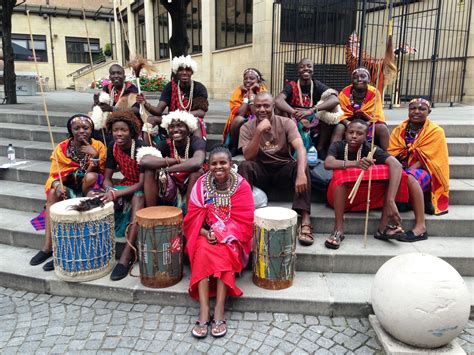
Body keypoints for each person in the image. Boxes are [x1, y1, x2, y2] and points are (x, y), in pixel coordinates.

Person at [183, 145, 254, 338]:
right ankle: (204, 310)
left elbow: (245, 222)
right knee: (204, 251)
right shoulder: (200, 186)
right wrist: (207, 234)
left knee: (224, 252)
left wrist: (223, 234)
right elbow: (191, 219)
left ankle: (220, 309)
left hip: (232, 238)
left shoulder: (241, 186)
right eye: (213, 163)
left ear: (231, 164)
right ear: (208, 166)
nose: (218, 167)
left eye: (223, 163)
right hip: (204, 235)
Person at [324, 119, 427, 249]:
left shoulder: (371, 149)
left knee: (395, 174)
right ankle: (338, 229)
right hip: (338, 198)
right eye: (351, 132)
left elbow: (396, 165)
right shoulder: (338, 146)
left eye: (359, 133)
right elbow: (328, 163)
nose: (354, 136)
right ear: (345, 134)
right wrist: (354, 164)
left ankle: (383, 228)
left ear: (366, 136)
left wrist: (390, 201)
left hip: (366, 200)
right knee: (341, 175)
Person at [29, 114, 106, 270]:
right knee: (52, 193)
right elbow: (54, 174)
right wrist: (58, 185)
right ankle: (48, 247)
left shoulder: (98, 145)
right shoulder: (62, 148)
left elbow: (97, 172)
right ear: (71, 130)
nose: (81, 131)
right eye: (76, 128)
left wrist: (95, 156)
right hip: (69, 185)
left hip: (89, 187)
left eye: (86, 128)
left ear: (91, 129)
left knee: (90, 177)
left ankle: (64, 250)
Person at [238, 92, 314, 246]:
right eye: (258, 106)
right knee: (244, 166)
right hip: (261, 170)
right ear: (252, 108)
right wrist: (258, 131)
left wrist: (300, 174)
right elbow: (248, 156)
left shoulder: (286, 122)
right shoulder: (247, 127)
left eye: (266, 105)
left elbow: (300, 148)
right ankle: (244, 218)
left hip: (283, 168)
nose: (262, 109)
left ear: (273, 106)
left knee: (302, 164)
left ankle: (305, 219)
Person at [94, 111, 146, 281]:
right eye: (116, 130)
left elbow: (141, 183)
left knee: (138, 197)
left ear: (131, 131)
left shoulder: (141, 148)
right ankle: (97, 246)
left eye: (123, 130)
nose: (119, 134)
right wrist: (109, 190)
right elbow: (107, 178)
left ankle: (127, 255)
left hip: (144, 188)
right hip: (124, 185)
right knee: (94, 195)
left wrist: (117, 193)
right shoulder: (112, 146)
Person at [388, 98, 449, 222]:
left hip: (425, 169)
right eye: (412, 108)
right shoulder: (399, 130)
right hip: (401, 166)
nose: (416, 111)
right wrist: (398, 168)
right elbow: (392, 152)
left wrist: (407, 171)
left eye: (422, 109)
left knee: (409, 176)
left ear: (429, 112)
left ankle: (419, 211)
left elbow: (428, 158)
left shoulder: (436, 132)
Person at [139, 110, 206, 209]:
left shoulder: (196, 142)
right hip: (172, 184)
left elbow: (197, 162)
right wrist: (175, 160)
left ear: (188, 129)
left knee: (197, 172)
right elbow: (144, 161)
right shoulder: (165, 144)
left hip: (192, 183)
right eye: (171, 127)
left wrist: (167, 169)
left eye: (180, 126)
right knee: (149, 171)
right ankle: (151, 212)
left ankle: (190, 216)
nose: (175, 129)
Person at [275, 58, 341, 157]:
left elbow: (335, 100)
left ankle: (320, 147)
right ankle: (285, 147)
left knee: (333, 109)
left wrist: (311, 110)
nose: (306, 69)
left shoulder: (316, 85)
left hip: (312, 117)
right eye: (302, 67)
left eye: (309, 66)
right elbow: (278, 100)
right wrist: (296, 114)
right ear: (298, 70)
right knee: (278, 109)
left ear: (313, 70)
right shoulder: (292, 85)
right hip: (294, 117)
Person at [136, 55, 209, 140]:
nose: (184, 72)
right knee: (151, 120)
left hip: (191, 119)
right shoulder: (170, 87)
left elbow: (201, 112)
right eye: (181, 70)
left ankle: (198, 148)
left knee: (197, 122)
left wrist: (179, 116)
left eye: (188, 70)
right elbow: (158, 111)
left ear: (192, 72)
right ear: (177, 72)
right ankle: (148, 149)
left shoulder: (199, 88)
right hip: (171, 119)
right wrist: (145, 103)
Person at [332, 67, 390, 150]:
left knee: (382, 128)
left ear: (369, 79)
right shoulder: (344, 93)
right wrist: (348, 123)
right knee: (339, 128)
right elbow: (341, 114)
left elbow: (376, 115)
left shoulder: (374, 93)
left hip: (368, 122)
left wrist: (365, 124)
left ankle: (388, 156)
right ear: (352, 81)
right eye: (355, 78)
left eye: (363, 76)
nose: (359, 79)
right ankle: (332, 154)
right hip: (349, 122)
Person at [92, 64, 141, 146]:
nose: (116, 76)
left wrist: (112, 109)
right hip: (110, 121)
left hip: (128, 122)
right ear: (110, 77)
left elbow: (136, 110)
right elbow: (102, 108)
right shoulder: (107, 88)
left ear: (124, 77)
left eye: (119, 73)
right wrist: (97, 103)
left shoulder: (132, 89)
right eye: (113, 73)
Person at [222, 68, 267, 156]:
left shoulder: (263, 92)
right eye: (245, 78)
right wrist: (246, 98)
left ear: (258, 80)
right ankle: (235, 147)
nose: (248, 81)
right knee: (238, 119)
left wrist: (252, 96)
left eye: (251, 78)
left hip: (258, 121)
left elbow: (256, 114)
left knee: (255, 120)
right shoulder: (239, 91)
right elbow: (240, 114)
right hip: (242, 121)